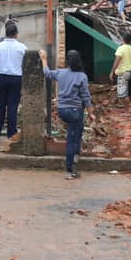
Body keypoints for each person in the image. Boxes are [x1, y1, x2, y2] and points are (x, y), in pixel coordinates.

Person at [39, 49, 94, 180]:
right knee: (71, 139)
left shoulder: (61, 73)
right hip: (74, 110)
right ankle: (70, 170)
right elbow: (86, 97)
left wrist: (43, 59)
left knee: (78, 128)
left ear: (68, 62)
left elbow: (46, 73)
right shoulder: (82, 76)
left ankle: (76, 155)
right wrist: (91, 113)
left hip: (62, 110)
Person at [0, 20, 26, 143]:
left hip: (1, 78)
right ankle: (12, 134)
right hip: (16, 79)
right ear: (16, 34)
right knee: (12, 107)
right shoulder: (22, 48)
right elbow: (26, 66)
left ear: (6, 34)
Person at [110, 31, 131, 112]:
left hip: (124, 73)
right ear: (130, 40)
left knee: (124, 94)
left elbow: (117, 61)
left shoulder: (121, 48)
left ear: (123, 39)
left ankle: (126, 111)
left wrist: (112, 71)